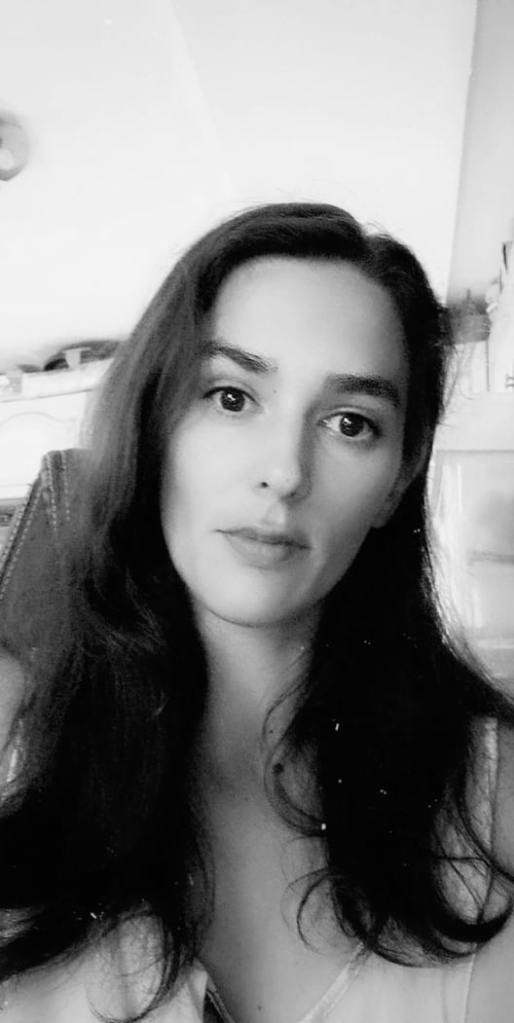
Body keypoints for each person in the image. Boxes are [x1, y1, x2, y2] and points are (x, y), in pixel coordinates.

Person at [0, 201, 514, 1023]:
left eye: (350, 422)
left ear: (399, 474)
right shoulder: (19, 755)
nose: (285, 470)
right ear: (154, 423)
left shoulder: (493, 795)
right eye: (232, 396)